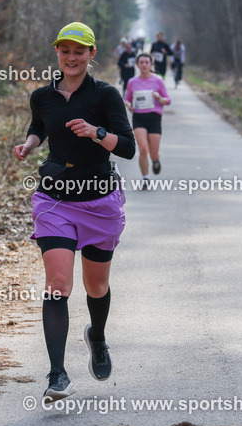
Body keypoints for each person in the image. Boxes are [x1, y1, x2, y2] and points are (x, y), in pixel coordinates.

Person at [13, 21, 136, 403]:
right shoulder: (42, 96)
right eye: (65, 50)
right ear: (58, 53)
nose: (71, 57)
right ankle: (57, 374)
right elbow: (39, 126)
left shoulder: (106, 95)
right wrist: (30, 144)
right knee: (58, 284)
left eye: (79, 51)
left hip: (99, 200)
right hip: (55, 199)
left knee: (95, 286)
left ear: (91, 54)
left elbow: (128, 148)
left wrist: (97, 133)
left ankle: (97, 337)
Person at [124, 53, 171, 186]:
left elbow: (168, 100)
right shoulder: (132, 82)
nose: (144, 65)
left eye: (147, 62)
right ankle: (145, 178)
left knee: (153, 153)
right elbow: (127, 99)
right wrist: (129, 105)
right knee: (143, 149)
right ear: (137, 65)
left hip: (154, 118)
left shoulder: (158, 81)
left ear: (151, 65)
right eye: (141, 62)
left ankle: (155, 160)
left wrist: (159, 99)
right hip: (139, 117)